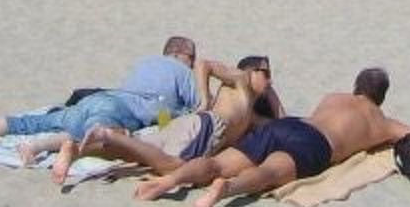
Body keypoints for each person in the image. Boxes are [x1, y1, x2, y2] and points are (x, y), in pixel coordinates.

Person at [0, 36, 204, 183]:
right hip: (114, 108)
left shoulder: (146, 62)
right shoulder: (183, 73)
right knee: (105, 136)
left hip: (98, 98)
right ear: (187, 57)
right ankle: (45, 147)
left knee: (28, 122)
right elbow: (198, 108)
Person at [135, 66, 410, 207]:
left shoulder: (333, 97)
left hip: (290, 125)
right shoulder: (382, 122)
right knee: (267, 172)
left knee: (217, 164)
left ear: (356, 87)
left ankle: (169, 181)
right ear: (381, 97)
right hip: (315, 144)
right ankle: (227, 189)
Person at [74, 55, 284, 177]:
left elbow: (282, 124)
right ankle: (111, 136)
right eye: (266, 73)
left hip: (189, 125)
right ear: (251, 71)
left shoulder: (250, 114)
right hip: (206, 128)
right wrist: (204, 99)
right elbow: (204, 64)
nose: (270, 80)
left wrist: (271, 94)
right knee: (174, 167)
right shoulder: (241, 79)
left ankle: (74, 150)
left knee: (133, 152)